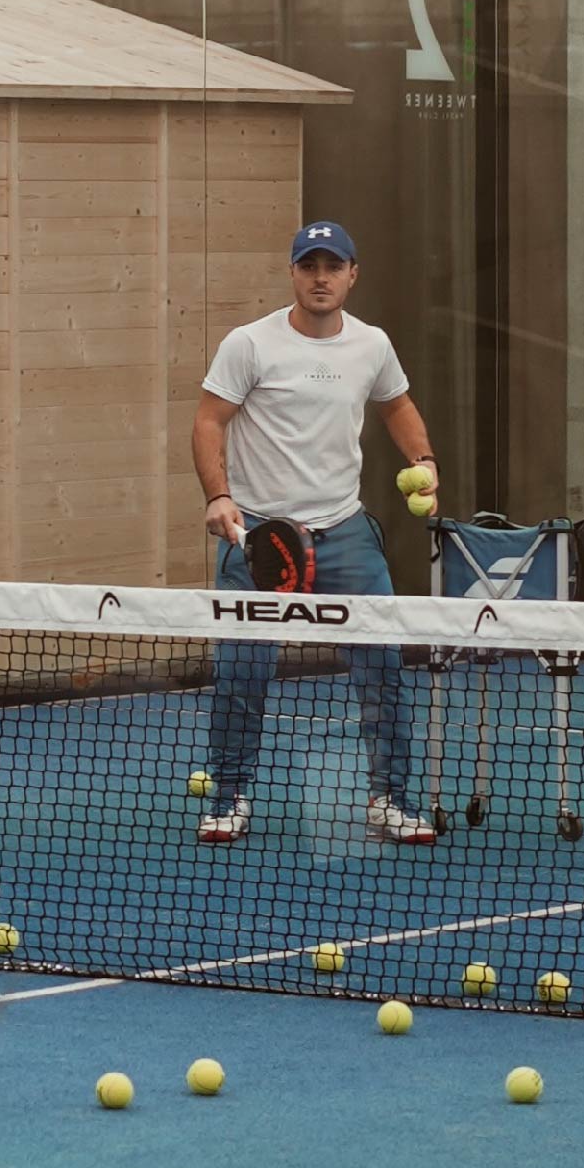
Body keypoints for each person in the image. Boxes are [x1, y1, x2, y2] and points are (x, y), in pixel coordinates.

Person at [191, 221, 441, 848]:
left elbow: (397, 404)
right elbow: (209, 421)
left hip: (346, 532)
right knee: (241, 675)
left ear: (353, 274)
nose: (321, 278)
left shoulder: (372, 345)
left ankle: (389, 799)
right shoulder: (249, 344)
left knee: (383, 669)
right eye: (309, 266)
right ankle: (228, 797)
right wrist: (219, 497)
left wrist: (424, 460)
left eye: (333, 267)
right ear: (293, 273)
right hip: (258, 537)